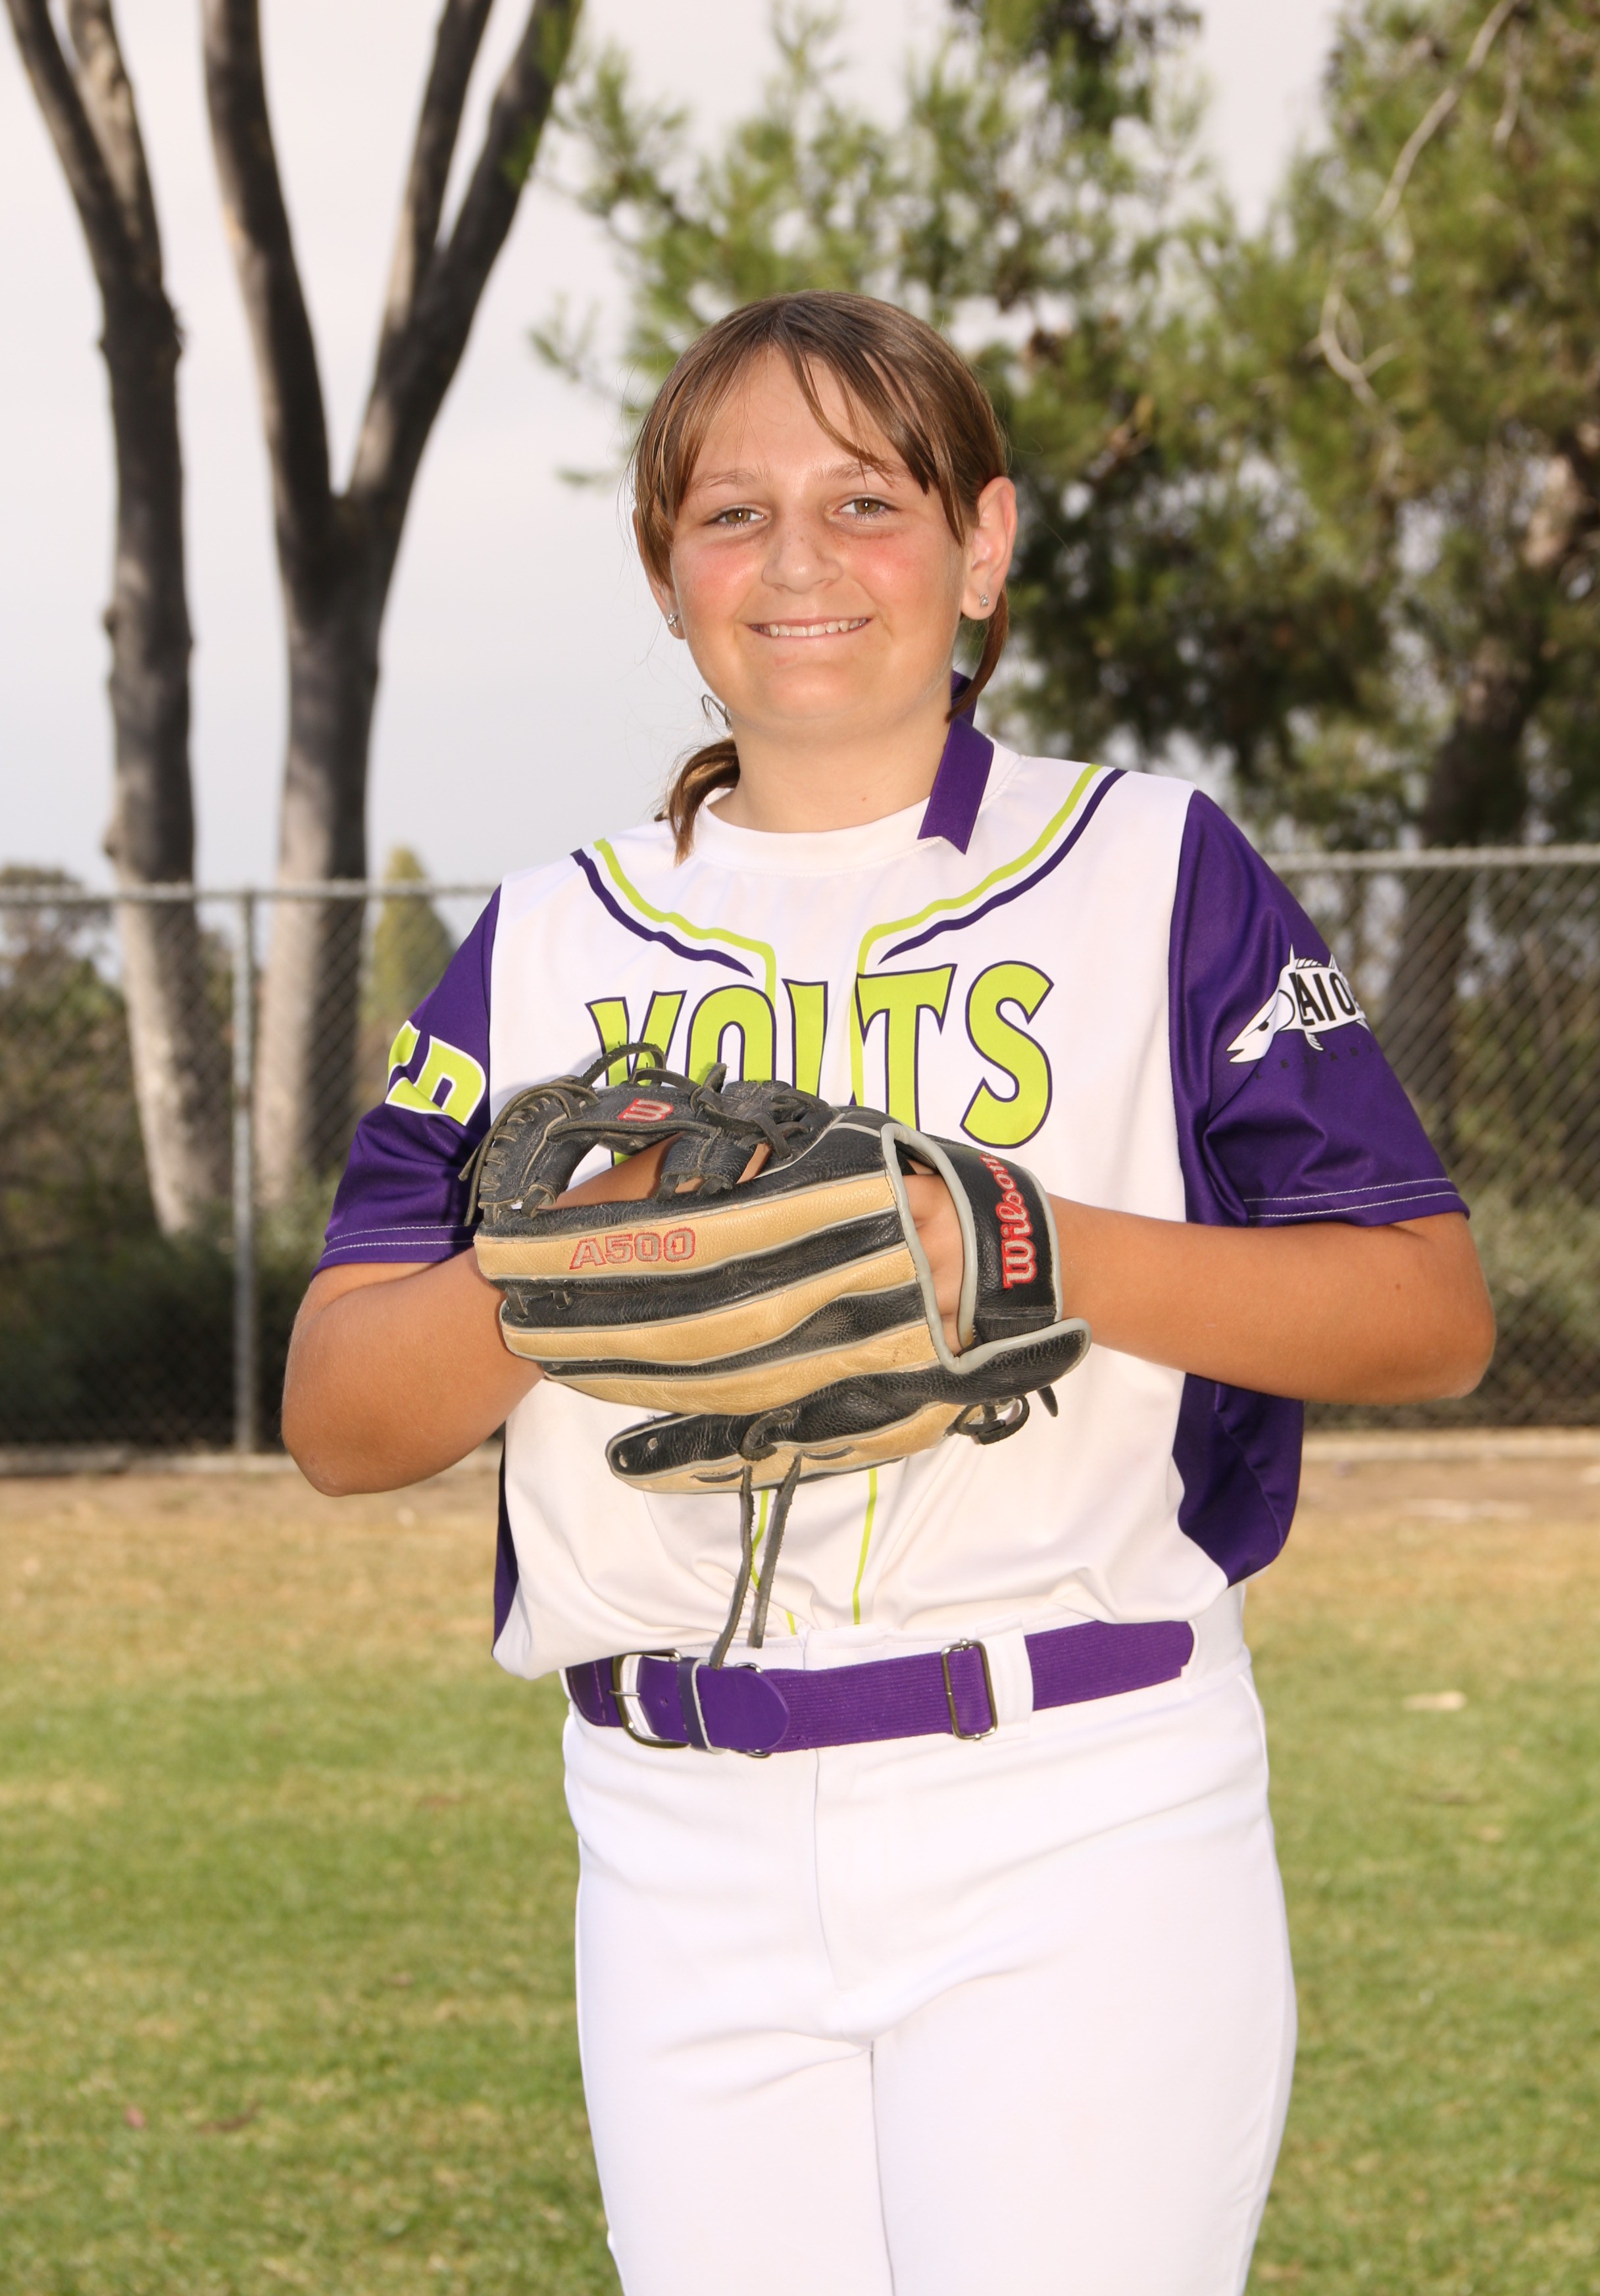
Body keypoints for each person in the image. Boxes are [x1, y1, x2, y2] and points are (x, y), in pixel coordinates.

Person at [284, 290, 1494, 2296]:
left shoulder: (1147, 867)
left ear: (983, 545)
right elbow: (339, 1416)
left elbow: (1426, 1308)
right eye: (732, 514)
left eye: (867, 500)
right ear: (667, 575)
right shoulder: (550, 943)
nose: (801, 561)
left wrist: (1010, 1244)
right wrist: (582, 1264)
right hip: (674, 1834)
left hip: (1074, 1800)